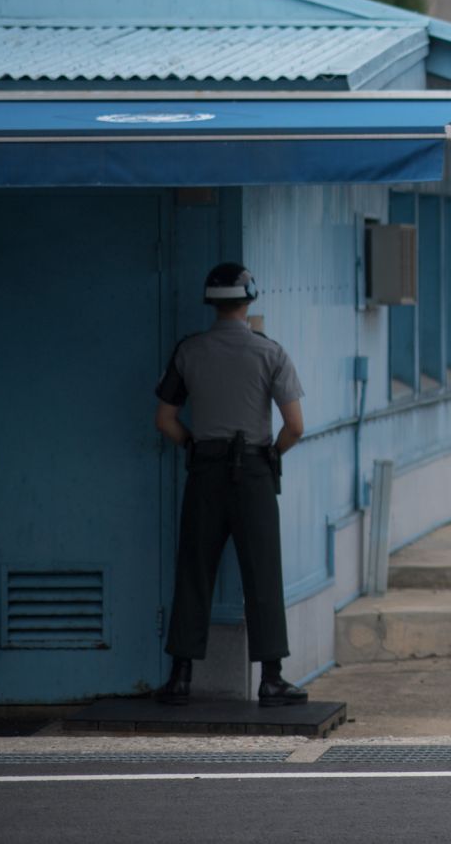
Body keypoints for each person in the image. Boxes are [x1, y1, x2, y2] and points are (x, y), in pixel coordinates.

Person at [152, 263, 308, 708]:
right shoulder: (270, 353)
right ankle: (271, 679)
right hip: (254, 470)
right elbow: (295, 426)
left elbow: (165, 420)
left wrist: (194, 446)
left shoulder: (189, 351)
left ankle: (181, 675)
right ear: (250, 299)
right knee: (262, 571)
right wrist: (271, 454)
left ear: (211, 303)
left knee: (194, 567)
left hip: (205, 469)